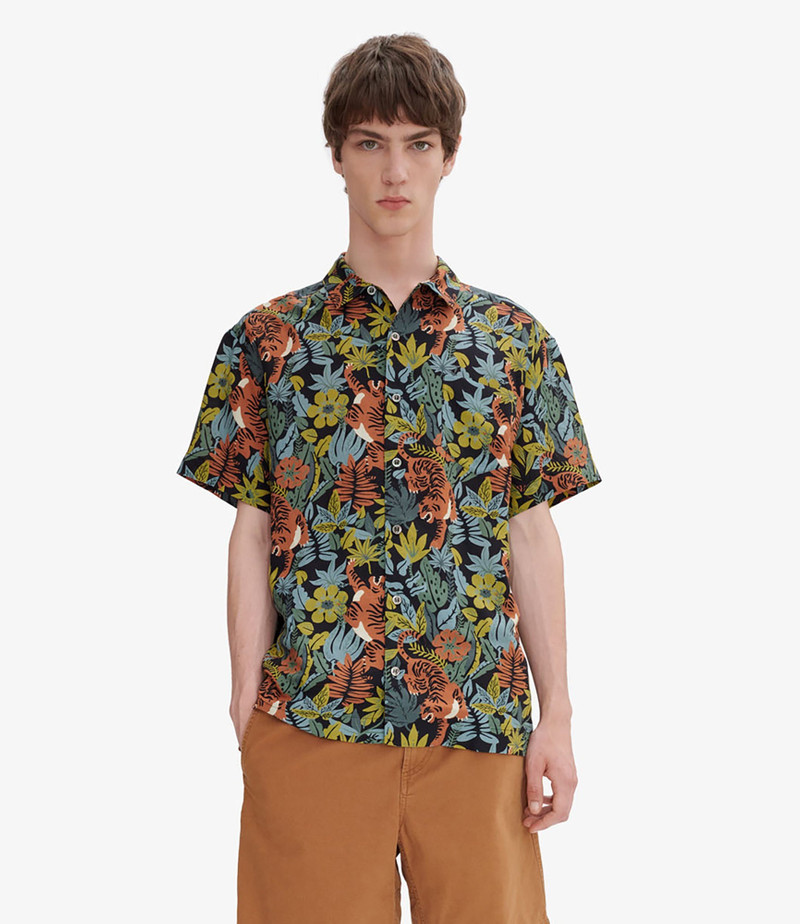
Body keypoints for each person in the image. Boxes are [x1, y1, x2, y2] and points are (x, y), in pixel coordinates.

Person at [176, 32, 602, 924]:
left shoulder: (516, 345)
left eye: (417, 143)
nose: (394, 170)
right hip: (312, 721)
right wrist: (246, 700)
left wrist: (557, 716)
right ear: (337, 156)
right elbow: (251, 527)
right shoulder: (267, 342)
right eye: (370, 142)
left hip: (477, 726)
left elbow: (531, 532)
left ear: (450, 155)